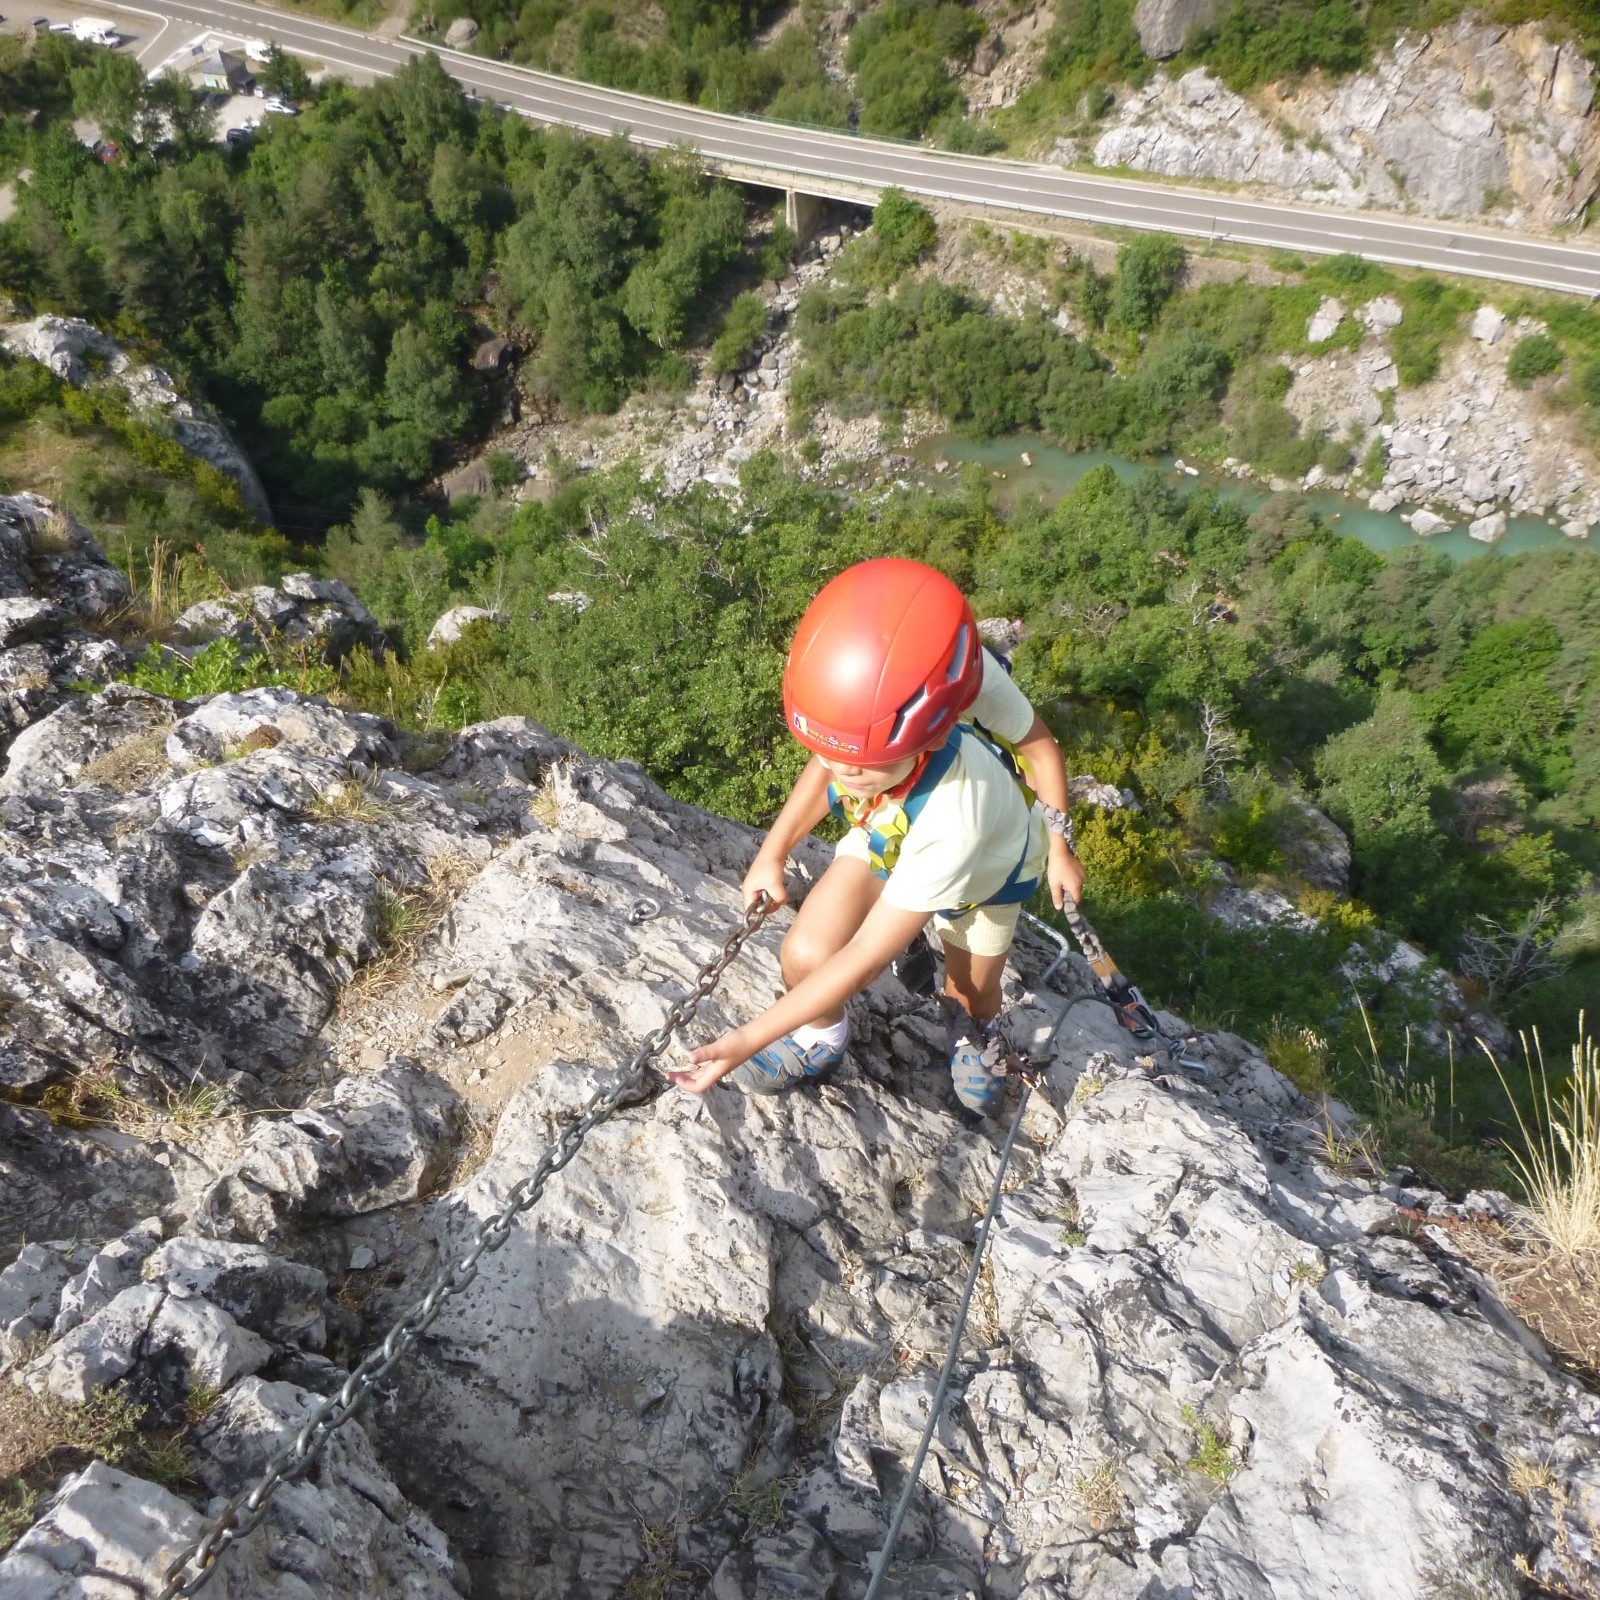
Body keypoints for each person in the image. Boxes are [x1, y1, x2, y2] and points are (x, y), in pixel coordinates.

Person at [667, 557, 1084, 1115]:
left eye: (857, 765)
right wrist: (773, 852)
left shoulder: (959, 796)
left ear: (932, 736)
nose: (838, 773)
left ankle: (972, 1031)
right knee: (805, 953)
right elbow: (833, 766)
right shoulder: (886, 717)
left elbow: (865, 955)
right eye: (828, 754)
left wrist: (1059, 847)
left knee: (969, 992)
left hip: (988, 870)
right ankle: (823, 1038)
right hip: (890, 826)